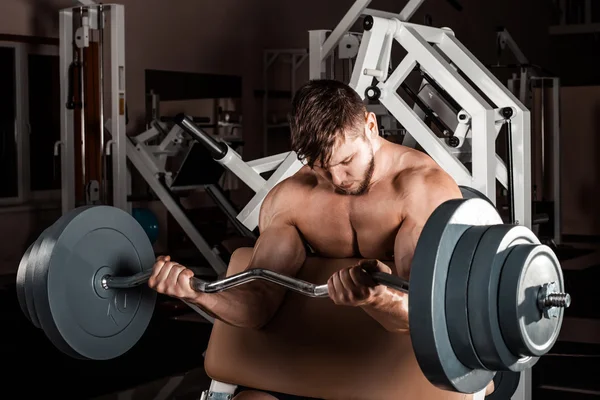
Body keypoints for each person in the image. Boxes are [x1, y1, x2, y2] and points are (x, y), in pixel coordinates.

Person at [148, 79, 489, 399]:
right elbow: (257, 305)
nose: (337, 179)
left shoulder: (421, 190)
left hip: (399, 372)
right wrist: (196, 293)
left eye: (346, 161)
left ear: (370, 126)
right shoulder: (290, 200)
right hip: (305, 368)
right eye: (319, 167)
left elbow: (428, 313)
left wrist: (376, 299)